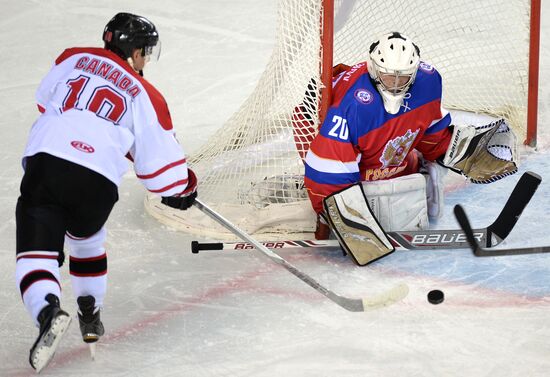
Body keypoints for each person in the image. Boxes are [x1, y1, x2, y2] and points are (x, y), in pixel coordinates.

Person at [16, 13, 197, 372]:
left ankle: (48, 311)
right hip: (97, 179)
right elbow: (163, 174)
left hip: (48, 161)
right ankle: (90, 314)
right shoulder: (147, 94)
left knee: (36, 256)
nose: (147, 59)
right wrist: (185, 187)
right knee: (87, 240)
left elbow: (45, 100)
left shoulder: (72, 57)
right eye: (146, 51)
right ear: (133, 51)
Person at [303, 32, 517, 264]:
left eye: (402, 78)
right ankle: (326, 219)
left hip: (372, 149)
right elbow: (327, 175)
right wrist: (348, 224)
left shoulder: (428, 81)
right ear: (374, 71)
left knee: (406, 173)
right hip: (318, 132)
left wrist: (454, 152)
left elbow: (427, 126)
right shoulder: (351, 106)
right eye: (388, 78)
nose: (395, 85)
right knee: (347, 191)